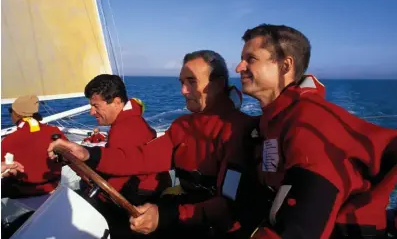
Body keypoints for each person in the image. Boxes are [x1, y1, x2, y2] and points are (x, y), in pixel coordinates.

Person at [48, 50, 260, 238]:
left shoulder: (238, 129)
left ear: (219, 83)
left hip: (213, 226)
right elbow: (140, 157)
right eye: (181, 82)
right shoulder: (183, 126)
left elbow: (229, 204)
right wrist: (87, 153)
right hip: (182, 213)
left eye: (191, 82)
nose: (183, 91)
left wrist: (165, 215)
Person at [234, 23, 397, 239]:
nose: (238, 67)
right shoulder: (272, 121)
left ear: (285, 66)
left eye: (251, 59)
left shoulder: (310, 124)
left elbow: (301, 231)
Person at [47, 74, 171, 236]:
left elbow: (114, 183)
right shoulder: (129, 122)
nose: (91, 112)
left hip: (138, 198)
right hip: (140, 190)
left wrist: (78, 169)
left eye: (96, 106)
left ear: (117, 102)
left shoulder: (126, 129)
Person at [1, 95, 66, 198]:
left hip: (23, 191)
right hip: (53, 186)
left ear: (17, 114)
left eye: (11, 111)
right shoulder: (54, 131)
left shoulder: (8, 141)